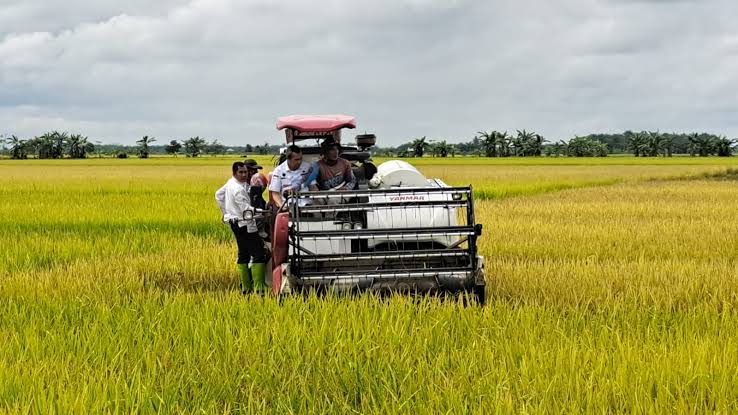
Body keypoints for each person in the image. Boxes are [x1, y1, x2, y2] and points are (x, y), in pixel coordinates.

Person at [215, 161, 268, 294]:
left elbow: (218, 195)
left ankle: (246, 288)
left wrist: (226, 213)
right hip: (245, 224)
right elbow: (246, 209)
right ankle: (259, 288)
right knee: (259, 254)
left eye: (246, 172)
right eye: (242, 172)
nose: (245, 175)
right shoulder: (238, 189)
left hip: (235, 222)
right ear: (235, 173)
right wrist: (264, 212)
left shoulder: (231, 183)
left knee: (243, 253)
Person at [269, 145, 316, 209]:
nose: (299, 162)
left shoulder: (308, 168)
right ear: (288, 159)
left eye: (300, 159)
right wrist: (281, 206)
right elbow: (275, 193)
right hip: (287, 206)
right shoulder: (278, 171)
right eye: (296, 160)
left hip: (307, 205)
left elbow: (313, 187)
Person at [244, 159, 269, 239]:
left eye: (256, 170)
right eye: (253, 170)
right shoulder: (241, 184)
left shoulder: (255, 181)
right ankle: (260, 229)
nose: (255, 172)